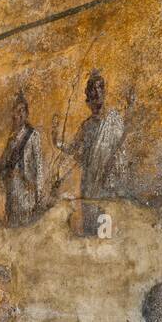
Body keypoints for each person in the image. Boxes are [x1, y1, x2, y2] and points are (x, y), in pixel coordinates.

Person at [54, 70, 125, 235]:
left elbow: (121, 151)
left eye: (100, 87)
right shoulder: (87, 126)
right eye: (93, 89)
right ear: (89, 96)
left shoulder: (114, 120)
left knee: (106, 234)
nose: (97, 92)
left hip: (107, 184)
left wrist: (112, 171)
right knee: (91, 230)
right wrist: (56, 140)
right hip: (89, 184)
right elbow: (74, 150)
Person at [0, 88, 45, 226]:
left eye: (22, 110)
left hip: (27, 192)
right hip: (12, 191)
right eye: (17, 111)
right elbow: (1, 167)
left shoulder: (33, 135)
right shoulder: (11, 140)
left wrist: (39, 194)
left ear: (27, 113)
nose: (20, 114)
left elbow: (39, 166)